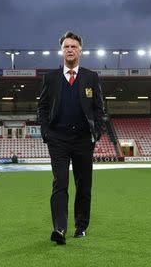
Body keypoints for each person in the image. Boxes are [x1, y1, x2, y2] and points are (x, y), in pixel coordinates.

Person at [37, 31, 105, 245]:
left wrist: (97, 132)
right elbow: (42, 107)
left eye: (73, 46)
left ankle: (81, 226)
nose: (69, 50)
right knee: (60, 182)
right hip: (58, 138)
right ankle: (59, 228)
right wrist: (46, 131)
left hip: (84, 139)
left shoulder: (91, 77)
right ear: (61, 50)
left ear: (80, 50)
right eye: (66, 46)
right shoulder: (51, 78)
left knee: (84, 185)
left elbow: (100, 109)